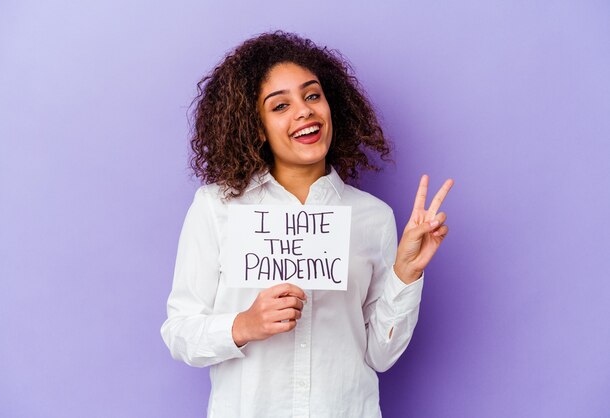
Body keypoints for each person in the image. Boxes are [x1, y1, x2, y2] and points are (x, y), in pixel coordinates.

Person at [160, 31, 454, 418]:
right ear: (257, 127)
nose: (304, 111)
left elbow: (380, 356)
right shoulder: (217, 208)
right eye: (280, 105)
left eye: (312, 95)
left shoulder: (372, 216)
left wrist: (407, 273)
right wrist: (245, 324)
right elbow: (180, 333)